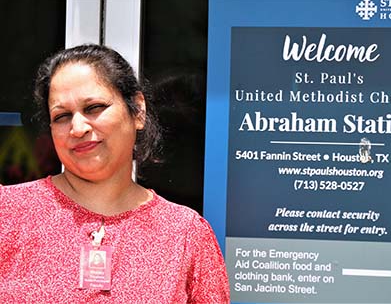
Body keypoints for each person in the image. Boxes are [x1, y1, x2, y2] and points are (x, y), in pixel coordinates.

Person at [0, 44, 230, 303]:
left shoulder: (185, 234)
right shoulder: (8, 214)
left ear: (138, 110)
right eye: (62, 116)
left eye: (94, 107)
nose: (78, 128)